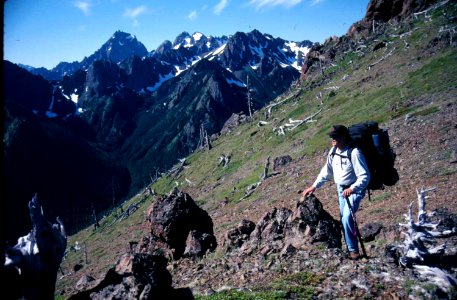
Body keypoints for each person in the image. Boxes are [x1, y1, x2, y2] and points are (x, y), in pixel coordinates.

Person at [302, 125, 370, 259]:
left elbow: (365, 176)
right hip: (341, 189)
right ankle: (351, 249)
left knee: (347, 217)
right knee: (344, 218)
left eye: (335, 137)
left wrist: (352, 189)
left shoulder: (354, 152)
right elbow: (326, 171)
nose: (332, 139)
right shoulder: (333, 151)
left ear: (344, 137)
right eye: (331, 137)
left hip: (353, 189)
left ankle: (353, 251)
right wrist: (314, 186)